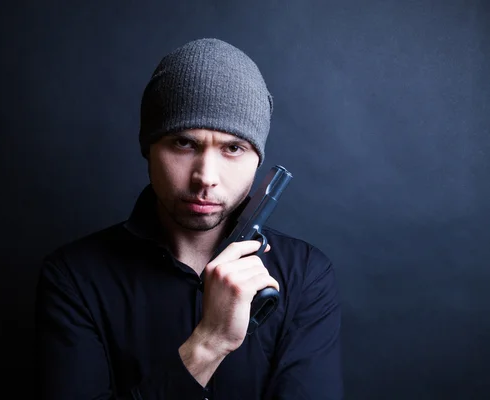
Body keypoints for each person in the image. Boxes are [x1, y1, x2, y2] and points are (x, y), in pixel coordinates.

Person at [34, 38, 343, 399]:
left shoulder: (305, 276)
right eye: (184, 143)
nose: (205, 176)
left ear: (257, 159)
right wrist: (209, 344)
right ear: (149, 148)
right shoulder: (74, 278)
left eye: (233, 148)